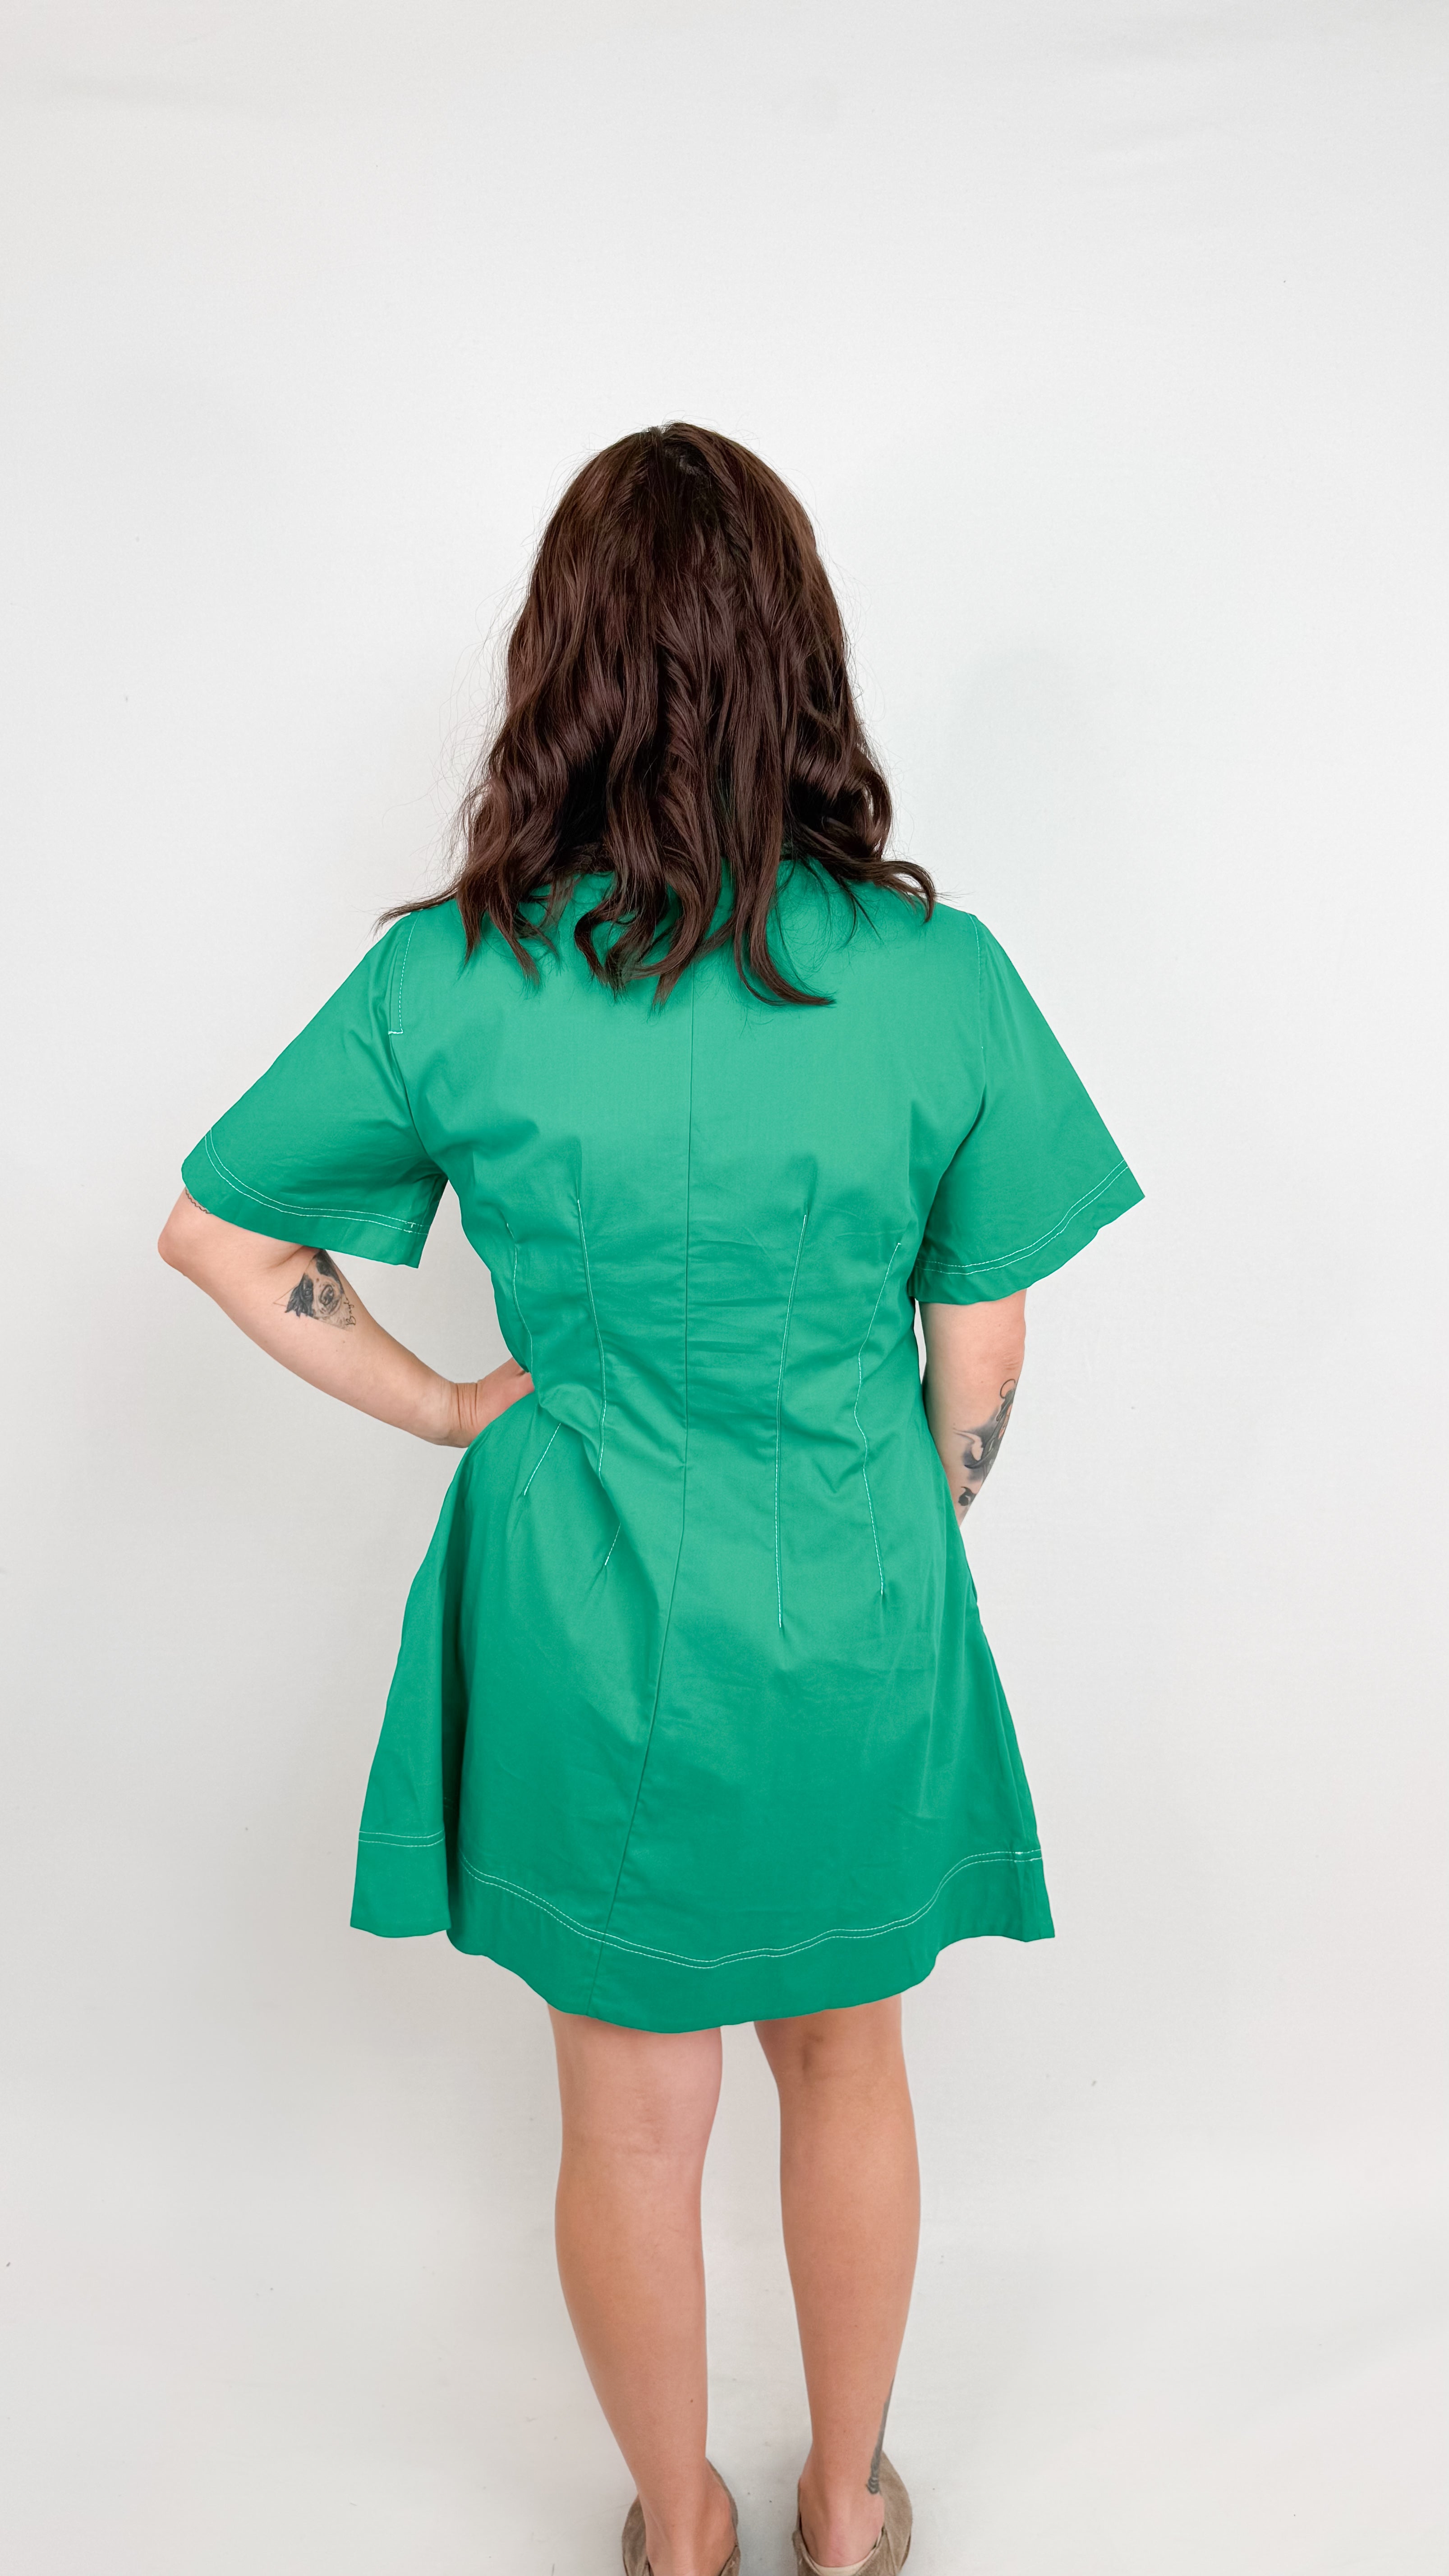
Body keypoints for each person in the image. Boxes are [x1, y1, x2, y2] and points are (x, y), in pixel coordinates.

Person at [159, 423, 1141, 2576]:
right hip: (851, 1588)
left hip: (582, 1605)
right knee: (847, 2061)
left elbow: (219, 1232)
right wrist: (899, 1531)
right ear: (802, 660)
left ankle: (680, 2535)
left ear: (563, 663)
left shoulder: (451, 974)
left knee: (627, 2118)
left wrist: (449, 1407)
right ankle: (846, 2512)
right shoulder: (938, 980)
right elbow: (983, 1352)